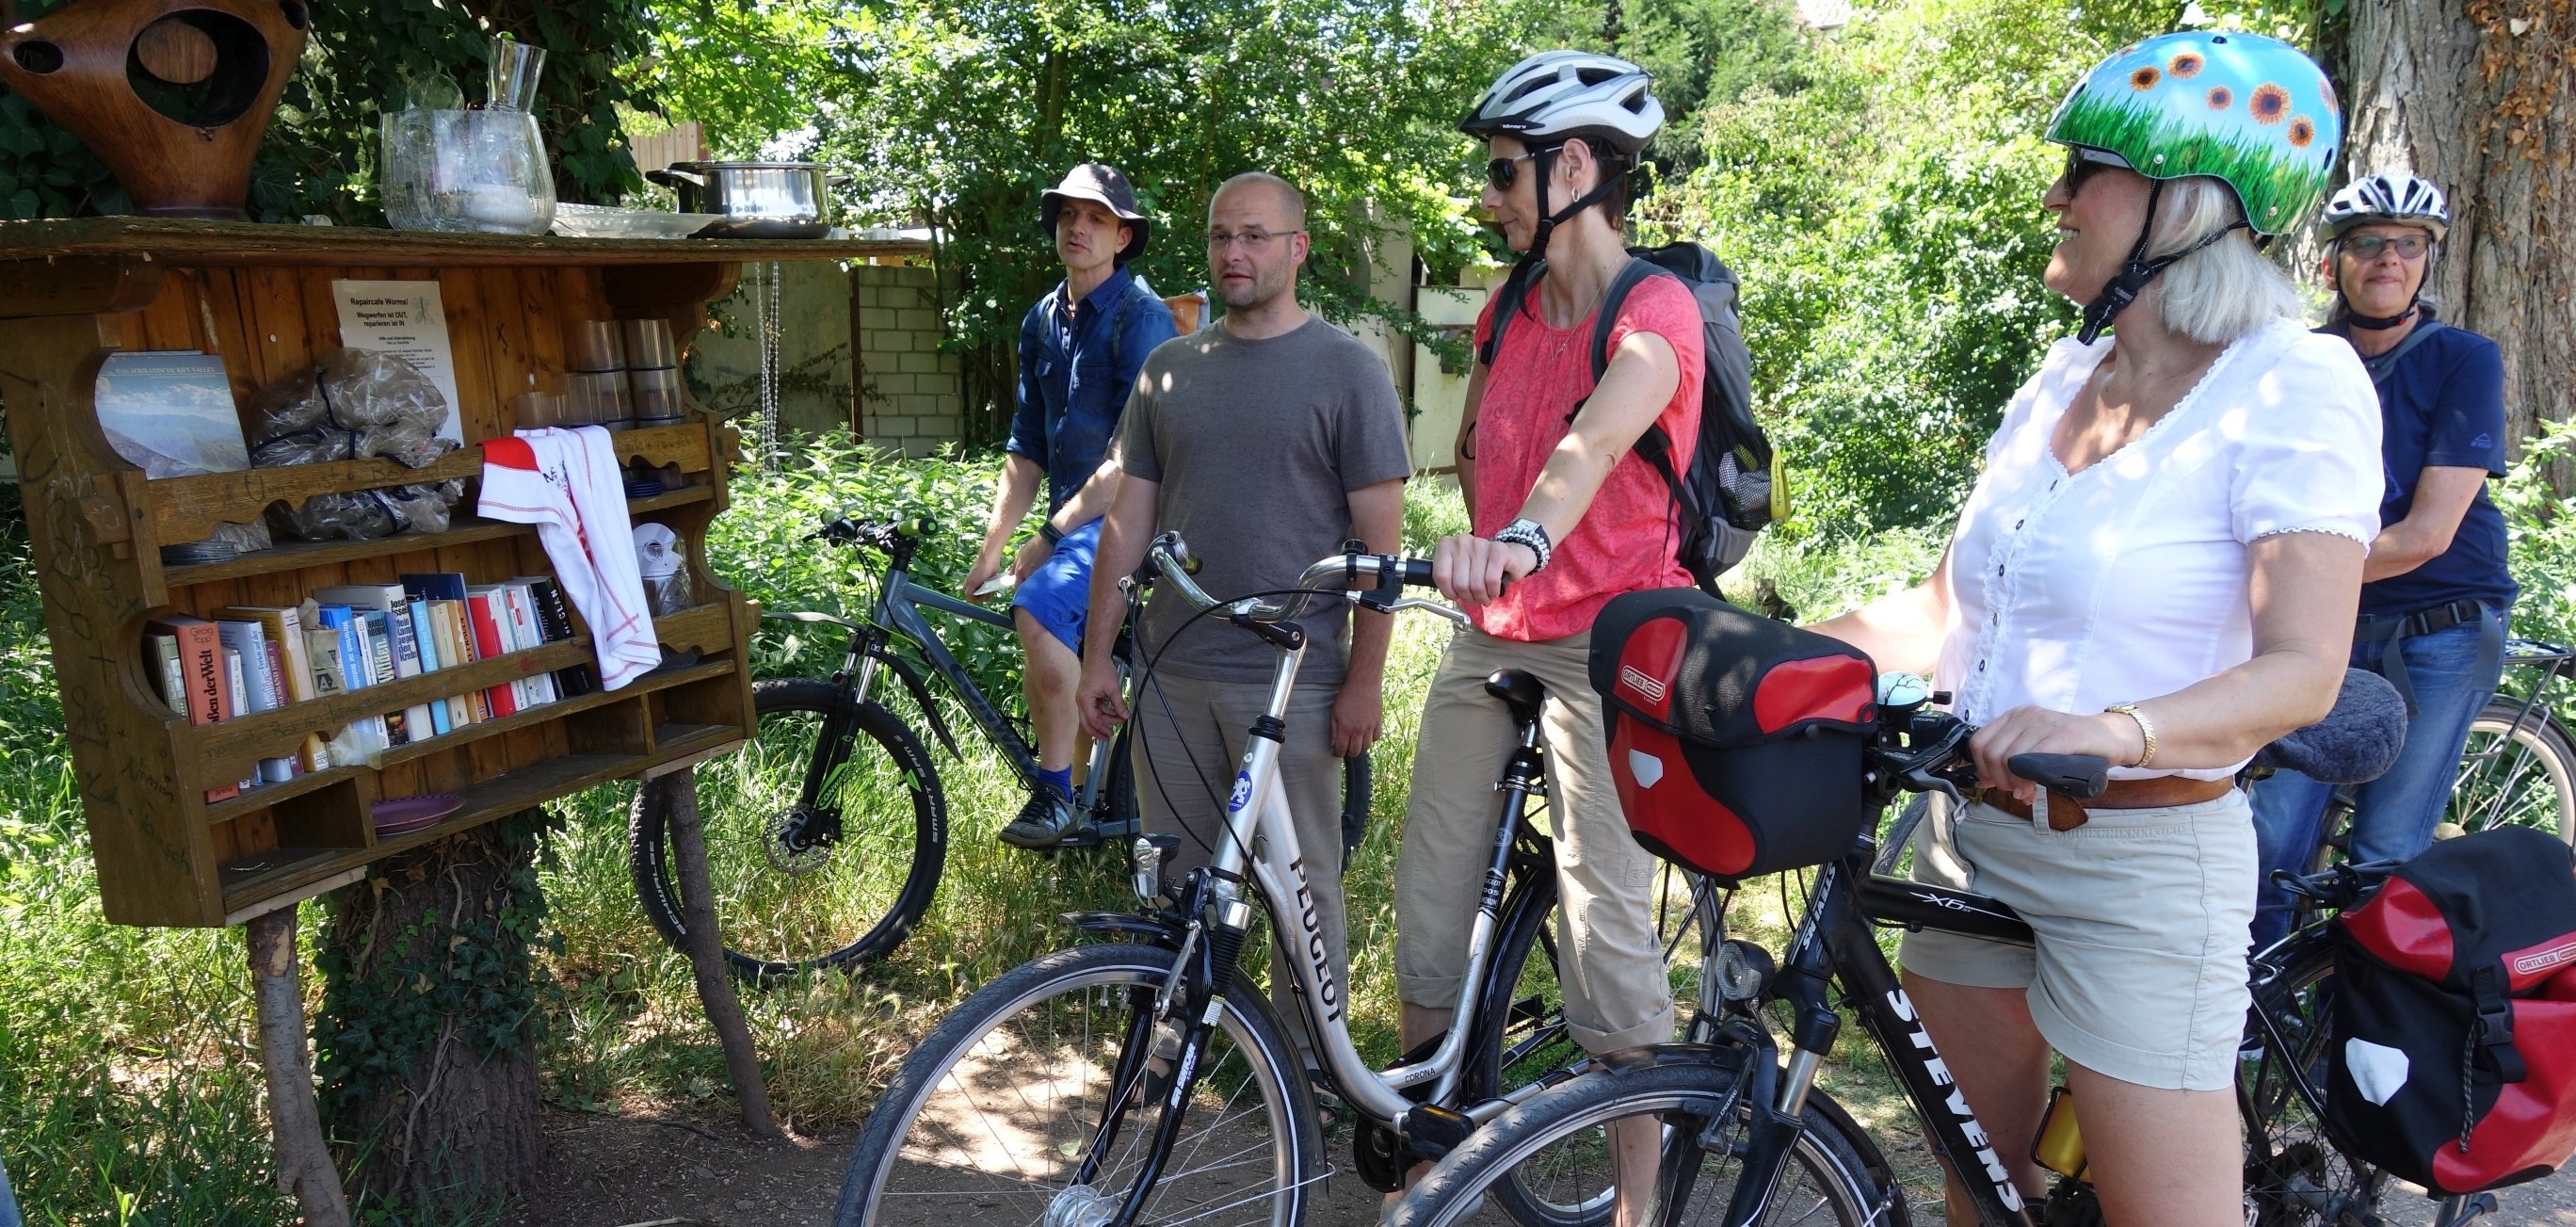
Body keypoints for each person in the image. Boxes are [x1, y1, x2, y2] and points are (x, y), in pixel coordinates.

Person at [1805, 33, 2378, 1224]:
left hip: (2145, 861)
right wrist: (1761, 650)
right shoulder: (2063, 379)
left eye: (2087, 168)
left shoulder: (2296, 383)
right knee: (1982, 1198)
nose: (2057, 195)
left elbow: (2303, 672)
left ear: (2194, 207)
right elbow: (1948, 610)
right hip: (1973, 835)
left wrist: (2113, 728)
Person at [1398, 50, 1697, 1219]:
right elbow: (1479, 444)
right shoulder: (1509, 305)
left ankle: (1636, 1204)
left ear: (1576, 166)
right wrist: (1476, 548)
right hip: (1493, 632)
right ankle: (1424, 1170)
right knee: (1428, 908)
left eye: (1505, 172)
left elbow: (1593, 444)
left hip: (1607, 642)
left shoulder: (1653, 310)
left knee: (1606, 928)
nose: (1490, 196)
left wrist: (1522, 537)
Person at [1075, 170, 1411, 1066]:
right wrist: (1098, 656)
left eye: (1256, 236)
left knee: (1301, 894)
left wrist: (1365, 681)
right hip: (1173, 675)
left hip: (1294, 683)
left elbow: (1381, 549)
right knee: (1174, 879)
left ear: (1297, 249)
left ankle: (1311, 1069)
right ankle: (1174, 1052)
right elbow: (1128, 522)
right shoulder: (1170, 371)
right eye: (1223, 236)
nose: (1235, 252)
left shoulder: (1350, 371)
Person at [2248, 171, 2515, 949]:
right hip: (2323, 623)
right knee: (2269, 830)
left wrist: (2291, 570)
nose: (2387, 259)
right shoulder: (2298, 361)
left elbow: (2428, 532)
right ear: (2334, 262)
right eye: (2367, 243)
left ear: (2428, 261)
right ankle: (2258, 1018)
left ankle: (2364, 1028)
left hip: (2441, 625)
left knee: (2386, 850)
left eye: (2407, 245)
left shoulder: (2464, 359)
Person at [968, 163, 1180, 848]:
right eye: (1067, 216)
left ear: (1123, 236)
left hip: (1133, 517)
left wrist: (1049, 539)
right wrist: (995, 544)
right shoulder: (1041, 320)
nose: (1077, 228)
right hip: (1077, 516)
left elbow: (1133, 464)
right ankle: (1082, 800)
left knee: (1037, 607)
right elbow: (1026, 448)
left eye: (1094, 218)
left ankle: (1054, 795)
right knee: (1046, 617)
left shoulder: (1140, 321)